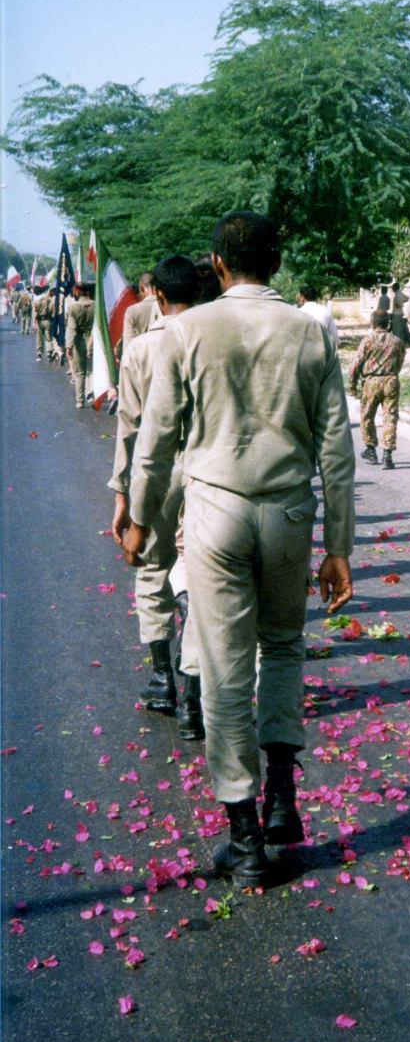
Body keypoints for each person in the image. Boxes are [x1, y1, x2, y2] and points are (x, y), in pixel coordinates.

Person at [123, 211, 356, 887]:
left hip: (215, 511)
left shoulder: (189, 329)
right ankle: (282, 795)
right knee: (282, 646)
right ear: (275, 264)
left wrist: (139, 515)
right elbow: (336, 450)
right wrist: (338, 546)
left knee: (225, 669)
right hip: (287, 512)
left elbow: (157, 435)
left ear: (217, 265)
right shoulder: (310, 332)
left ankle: (245, 836)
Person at [109, 255, 203, 733]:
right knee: (198, 577)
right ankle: (194, 691)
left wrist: (123, 494)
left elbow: (129, 427)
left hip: (158, 473)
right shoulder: (214, 338)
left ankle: (163, 679)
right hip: (209, 470)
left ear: (158, 298)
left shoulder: (142, 348)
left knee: (152, 567)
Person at [348, 307, 406, 469]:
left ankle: (371, 449)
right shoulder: (397, 341)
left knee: (367, 416)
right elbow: (400, 362)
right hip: (391, 381)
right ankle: (387, 454)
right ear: (387, 324)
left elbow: (355, 365)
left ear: (373, 323)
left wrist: (352, 386)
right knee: (390, 417)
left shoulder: (367, 341)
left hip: (371, 382)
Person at [65, 281, 95, 409]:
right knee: (92, 370)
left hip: (79, 340)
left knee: (80, 372)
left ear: (77, 291)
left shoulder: (73, 307)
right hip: (93, 339)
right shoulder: (95, 305)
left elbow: (71, 328)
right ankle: (91, 394)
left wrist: (69, 346)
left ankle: (80, 401)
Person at [121, 271, 158, 353]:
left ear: (141, 288)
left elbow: (128, 349)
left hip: (141, 361)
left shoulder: (132, 311)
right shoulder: (167, 306)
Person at [34, 290, 55, 362]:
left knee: (39, 338)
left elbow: (35, 312)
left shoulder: (38, 302)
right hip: (48, 321)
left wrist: (35, 322)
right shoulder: (50, 302)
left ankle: (39, 353)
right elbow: (53, 311)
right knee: (48, 338)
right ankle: (49, 353)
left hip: (40, 321)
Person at [390, 281, 410, 346]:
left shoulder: (396, 294)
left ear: (395, 288)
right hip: (401, 313)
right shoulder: (400, 293)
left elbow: (397, 305)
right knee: (400, 328)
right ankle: (402, 342)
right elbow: (408, 298)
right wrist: (402, 302)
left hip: (396, 314)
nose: (392, 289)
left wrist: (400, 305)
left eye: (392, 288)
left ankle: (397, 343)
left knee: (396, 329)